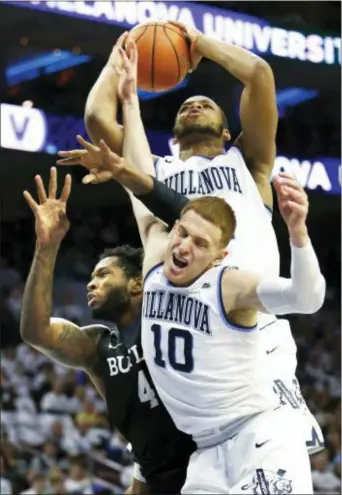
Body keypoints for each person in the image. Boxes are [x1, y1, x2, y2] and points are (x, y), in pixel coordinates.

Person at [57, 29, 324, 455]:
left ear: (226, 134)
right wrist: (120, 60)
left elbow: (259, 75)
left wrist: (199, 44)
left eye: (205, 104)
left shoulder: (249, 163)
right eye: (185, 104)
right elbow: (96, 118)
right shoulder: (151, 170)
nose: (194, 103)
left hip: (252, 325)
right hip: (180, 326)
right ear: (173, 135)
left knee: (273, 455)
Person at [63, 129, 326, 492]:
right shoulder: (155, 267)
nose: (184, 246)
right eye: (182, 233)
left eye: (200, 243)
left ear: (220, 255)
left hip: (260, 437)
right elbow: (146, 197)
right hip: (205, 453)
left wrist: (298, 234)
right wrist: (123, 157)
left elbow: (306, 298)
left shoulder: (229, 285)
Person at [20, 168, 195, 494]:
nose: (91, 282)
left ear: (137, 283)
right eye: (92, 276)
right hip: (159, 477)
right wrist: (47, 247)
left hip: (210, 466)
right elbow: (36, 332)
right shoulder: (99, 346)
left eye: (103, 275)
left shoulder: (172, 318)